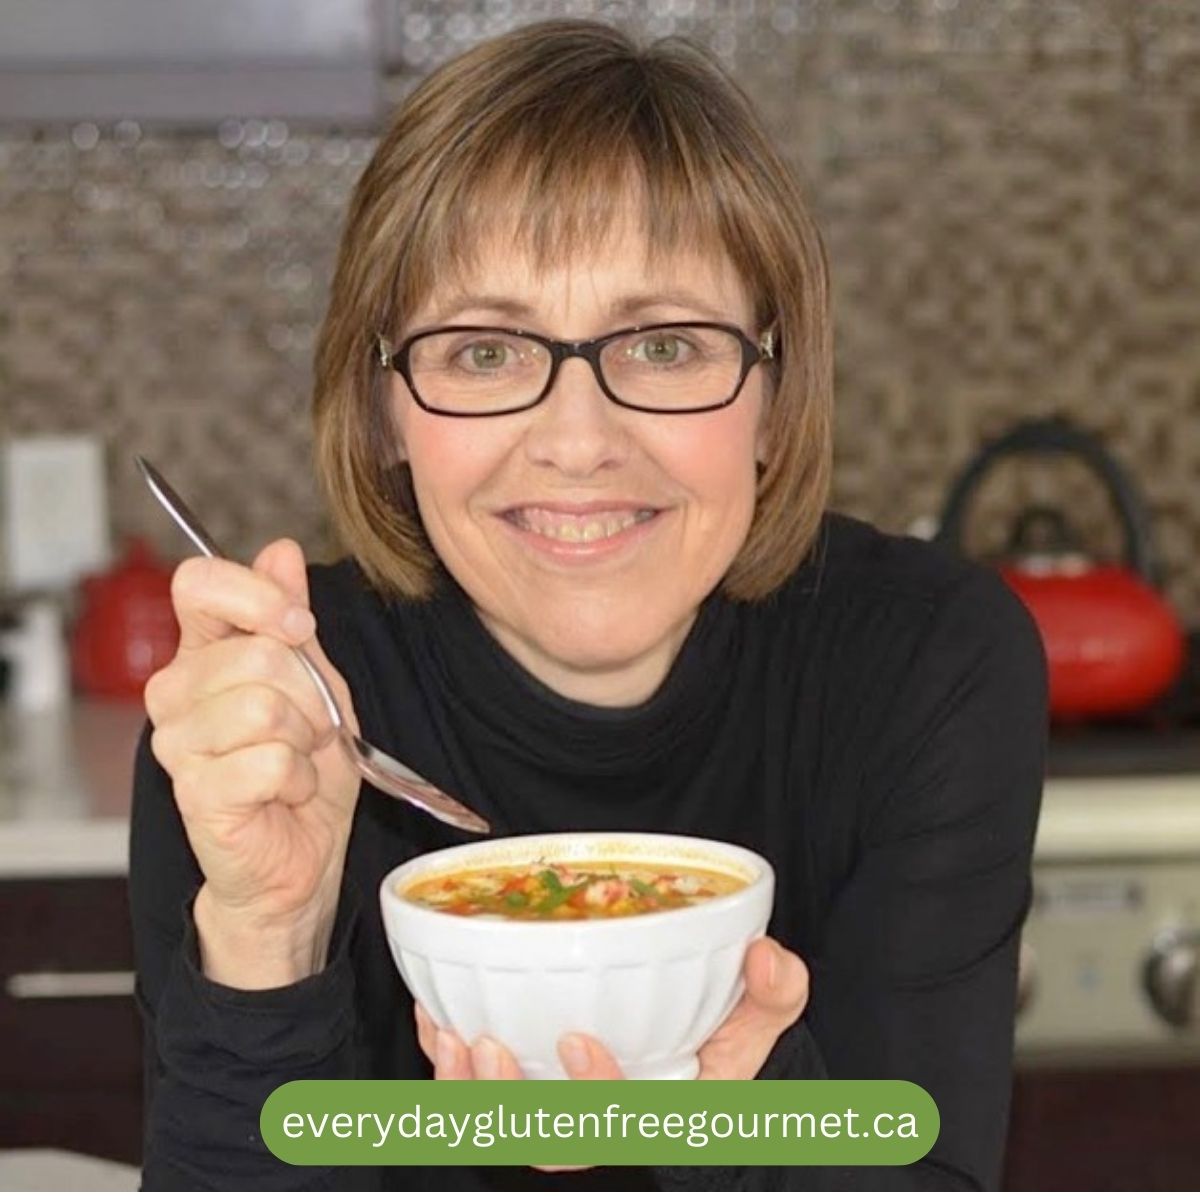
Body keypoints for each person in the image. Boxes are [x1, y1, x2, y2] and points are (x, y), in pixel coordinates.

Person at [129, 17, 1047, 1191]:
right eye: (485, 352)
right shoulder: (278, 721)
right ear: (383, 412)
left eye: (664, 345)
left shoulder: (925, 663)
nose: (577, 443)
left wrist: (732, 1121)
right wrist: (271, 935)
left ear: (774, 393)